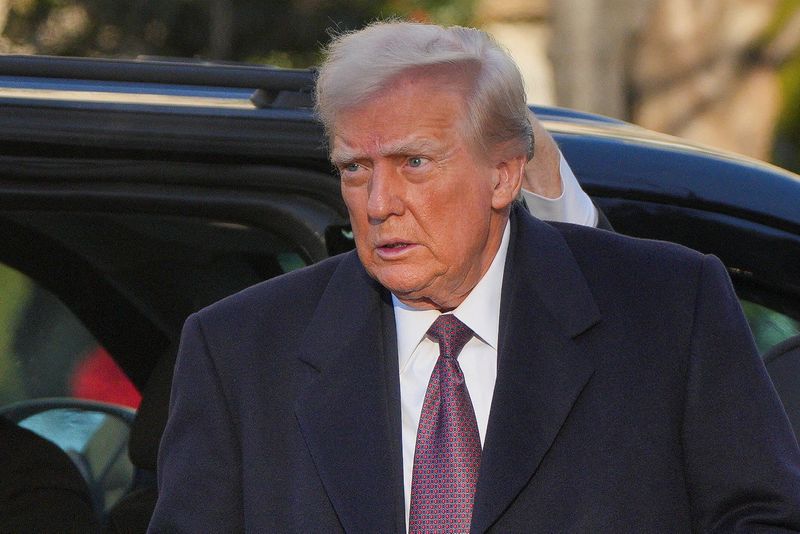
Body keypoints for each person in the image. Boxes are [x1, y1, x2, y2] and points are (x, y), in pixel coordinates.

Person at [149, 21, 800, 532]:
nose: (378, 203)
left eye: (413, 162)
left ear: (505, 173)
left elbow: (763, 519)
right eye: (354, 168)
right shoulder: (241, 349)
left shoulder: (665, 307)